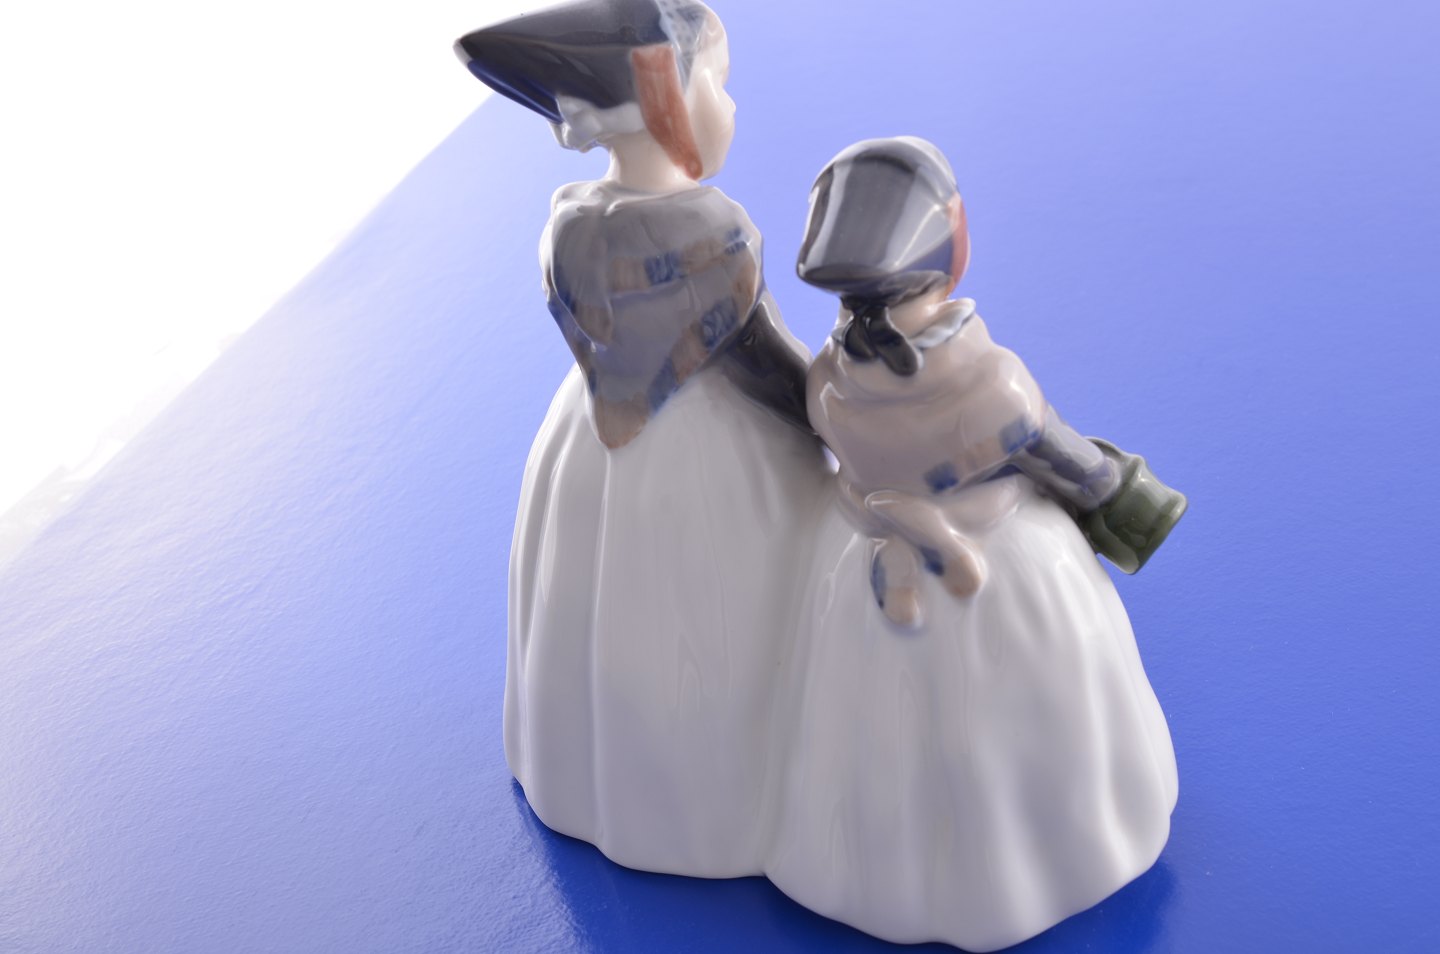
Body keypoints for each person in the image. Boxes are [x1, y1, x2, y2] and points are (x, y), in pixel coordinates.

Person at [764, 137, 1183, 950]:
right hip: (1000, 556)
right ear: (952, 246)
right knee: (1026, 708)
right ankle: (1051, 852)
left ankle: (876, 863)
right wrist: (1125, 501)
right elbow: (1071, 464)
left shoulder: (828, 384)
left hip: (865, 556)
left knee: (872, 725)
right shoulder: (992, 386)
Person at [455, 0, 826, 878]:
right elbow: (764, 363)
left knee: (605, 596)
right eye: (718, 85)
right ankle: (717, 798)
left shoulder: (571, 225)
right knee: (715, 612)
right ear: (666, 97)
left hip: (594, 438)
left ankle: (598, 770)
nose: (730, 105)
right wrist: (834, 417)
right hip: (712, 452)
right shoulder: (714, 236)